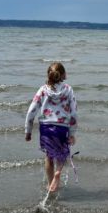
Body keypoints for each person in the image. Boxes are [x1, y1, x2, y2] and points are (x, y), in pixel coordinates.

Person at [25, 62, 78, 193]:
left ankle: (50, 184)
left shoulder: (43, 89)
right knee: (61, 155)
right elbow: (74, 112)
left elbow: (32, 110)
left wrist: (28, 130)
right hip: (61, 127)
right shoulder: (68, 89)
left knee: (49, 156)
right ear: (63, 74)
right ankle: (58, 172)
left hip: (46, 127)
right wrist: (72, 133)